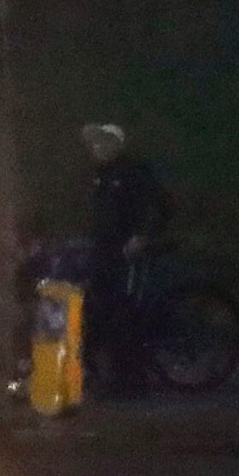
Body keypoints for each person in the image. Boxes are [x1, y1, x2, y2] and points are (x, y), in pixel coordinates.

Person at [81, 125, 172, 393]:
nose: (96, 149)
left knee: (123, 313)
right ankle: (106, 373)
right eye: (94, 145)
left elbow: (163, 206)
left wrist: (143, 236)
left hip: (127, 253)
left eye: (102, 143)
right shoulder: (101, 175)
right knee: (100, 310)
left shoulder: (133, 172)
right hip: (104, 252)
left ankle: (130, 380)